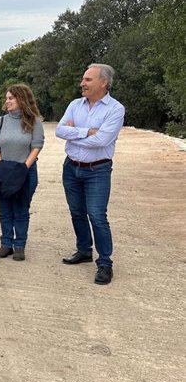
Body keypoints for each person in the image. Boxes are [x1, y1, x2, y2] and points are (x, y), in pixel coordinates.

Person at [56, 63, 125, 285]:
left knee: (97, 215)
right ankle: (84, 250)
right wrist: (86, 132)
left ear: (103, 82)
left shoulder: (115, 109)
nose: (82, 83)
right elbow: (59, 130)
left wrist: (74, 134)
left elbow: (102, 140)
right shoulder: (75, 105)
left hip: (98, 170)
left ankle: (105, 263)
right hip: (71, 167)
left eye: (88, 80)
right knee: (77, 212)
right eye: (83, 79)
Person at [0, 84, 45, 261]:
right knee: (4, 210)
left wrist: (23, 168)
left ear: (21, 99)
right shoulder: (1, 121)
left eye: (11, 98)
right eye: (7, 98)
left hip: (24, 172)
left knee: (21, 209)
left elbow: (37, 145)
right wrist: (0, 165)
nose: (7, 101)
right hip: (3, 171)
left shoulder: (34, 121)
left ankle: (19, 245)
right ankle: (6, 244)